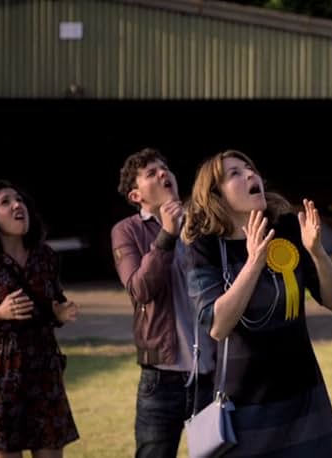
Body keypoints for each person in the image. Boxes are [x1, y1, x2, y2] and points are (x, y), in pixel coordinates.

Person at [182, 149, 332, 457]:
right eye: (235, 173)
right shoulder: (204, 247)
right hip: (244, 407)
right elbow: (216, 325)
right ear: (215, 194)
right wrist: (254, 261)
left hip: (304, 398)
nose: (250, 175)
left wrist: (317, 252)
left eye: (250, 169)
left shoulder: (285, 231)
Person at [0, 179, 80, 457]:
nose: (17, 205)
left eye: (19, 200)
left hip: (44, 376)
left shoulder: (45, 256)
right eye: (5, 202)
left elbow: (52, 302)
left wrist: (58, 313)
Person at [111, 148, 216, 458]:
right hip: (161, 379)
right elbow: (139, 289)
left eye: (164, 168)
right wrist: (167, 235)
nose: (163, 174)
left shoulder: (202, 223)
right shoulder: (126, 231)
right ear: (135, 195)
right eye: (150, 173)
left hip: (211, 373)